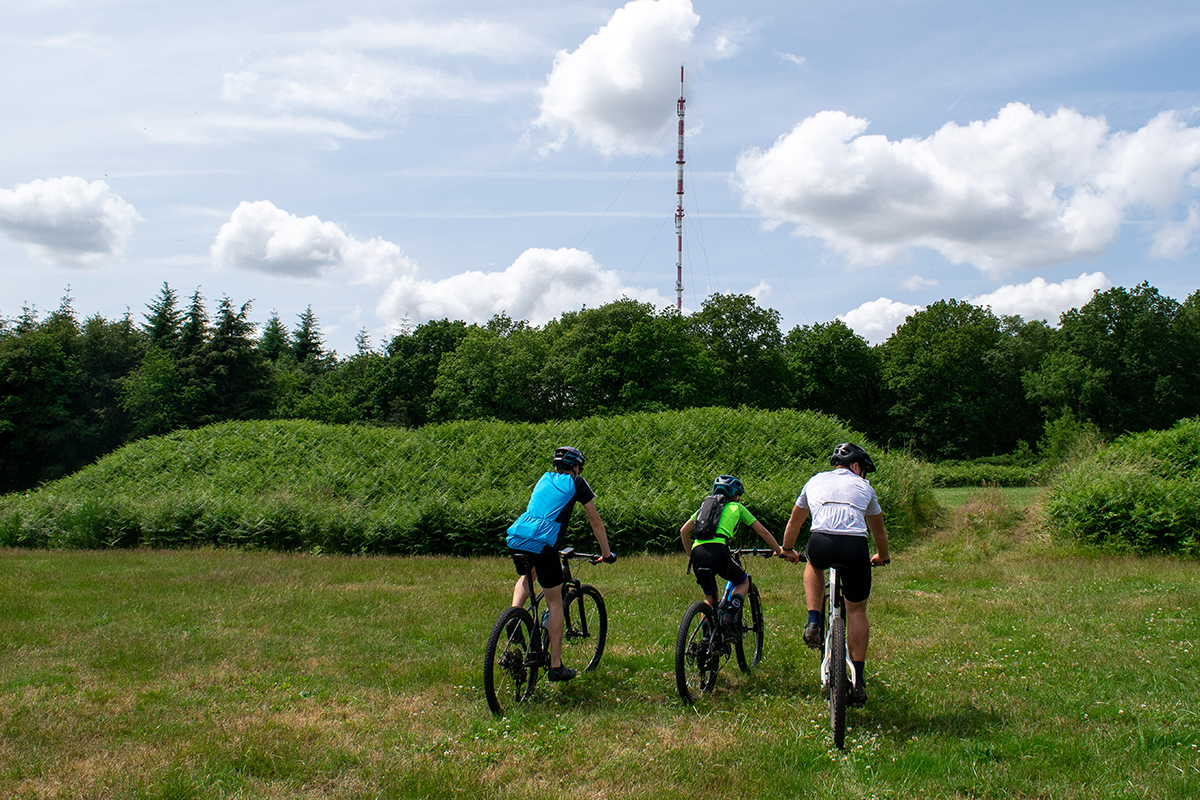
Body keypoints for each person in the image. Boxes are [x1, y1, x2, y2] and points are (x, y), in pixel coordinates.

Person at [781, 443, 890, 707]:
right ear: (855, 466)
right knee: (856, 611)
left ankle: (814, 620)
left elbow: (795, 522)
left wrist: (786, 549)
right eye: (863, 470)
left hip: (821, 542)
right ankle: (859, 681)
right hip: (855, 547)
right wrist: (882, 556)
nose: (863, 475)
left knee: (813, 563)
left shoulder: (814, 481)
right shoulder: (865, 488)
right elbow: (878, 532)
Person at [506, 446, 614, 682]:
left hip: (518, 537)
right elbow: (595, 522)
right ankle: (555, 666)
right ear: (576, 467)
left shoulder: (543, 479)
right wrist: (606, 553)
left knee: (528, 576)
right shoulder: (576, 482)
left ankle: (514, 617)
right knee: (555, 602)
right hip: (545, 541)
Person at [680, 474, 784, 637]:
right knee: (743, 582)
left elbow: (683, 531)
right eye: (738, 495)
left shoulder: (704, 508)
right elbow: (763, 532)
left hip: (697, 554)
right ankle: (729, 614)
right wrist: (778, 550)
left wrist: (690, 553)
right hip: (719, 551)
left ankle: (706, 639)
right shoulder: (737, 507)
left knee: (709, 599)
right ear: (734, 495)